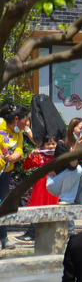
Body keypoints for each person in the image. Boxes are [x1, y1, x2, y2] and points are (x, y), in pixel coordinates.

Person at [0, 102, 31, 247]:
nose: (28, 123)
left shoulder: (18, 133)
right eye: (26, 119)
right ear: (17, 118)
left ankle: (3, 238)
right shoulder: (0, 124)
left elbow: (19, 150)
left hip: (5, 173)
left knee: (3, 203)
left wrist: (15, 156)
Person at [22, 134, 58, 207]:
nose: (51, 146)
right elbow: (25, 167)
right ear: (43, 146)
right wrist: (31, 156)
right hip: (40, 188)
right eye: (48, 144)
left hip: (54, 186)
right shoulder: (40, 156)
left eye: (53, 144)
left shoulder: (59, 156)